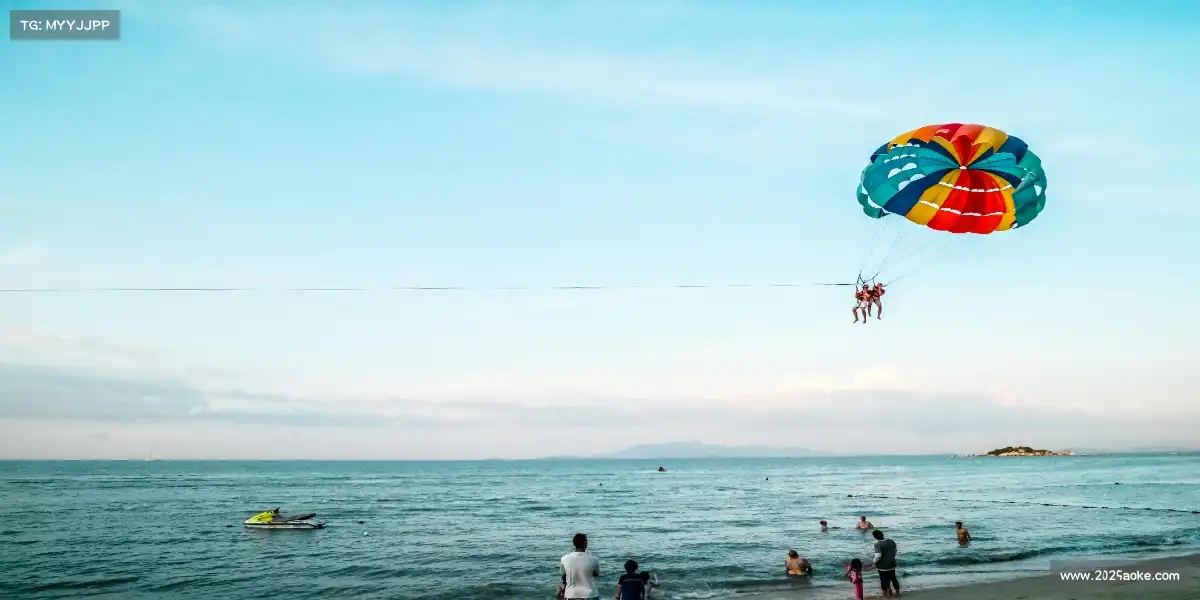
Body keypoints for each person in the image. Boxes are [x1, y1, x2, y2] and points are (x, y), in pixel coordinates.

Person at [561, 533, 600, 600]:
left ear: (574, 544)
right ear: (585, 544)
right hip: (590, 595)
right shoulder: (594, 559)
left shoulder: (564, 558)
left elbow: (564, 575)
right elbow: (596, 574)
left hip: (571, 595)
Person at [872, 530, 900, 597]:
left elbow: (878, 555)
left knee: (883, 580)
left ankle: (885, 595)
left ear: (875, 537)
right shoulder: (891, 541)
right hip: (892, 564)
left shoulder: (877, 544)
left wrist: (874, 562)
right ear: (882, 534)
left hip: (882, 566)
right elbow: (895, 551)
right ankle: (897, 593)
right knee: (893, 578)